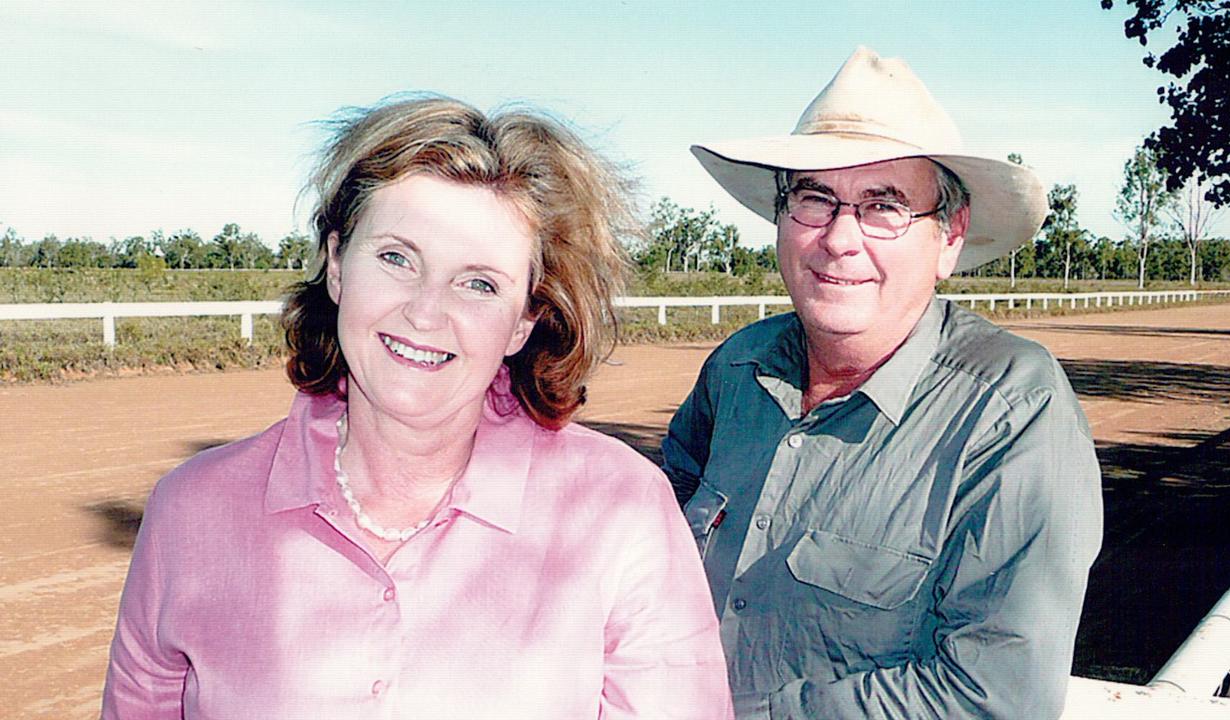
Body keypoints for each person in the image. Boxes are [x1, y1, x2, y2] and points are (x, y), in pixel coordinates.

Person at [103, 95, 731, 719]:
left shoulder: (623, 509)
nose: (425, 312)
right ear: (337, 265)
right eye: (397, 258)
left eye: (479, 282)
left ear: (524, 322)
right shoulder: (190, 510)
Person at [663, 47, 1103, 719]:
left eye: (884, 207)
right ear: (782, 219)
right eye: (815, 199)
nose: (840, 238)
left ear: (950, 237)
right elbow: (645, 562)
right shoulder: (736, 371)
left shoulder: (1010, 411)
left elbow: (993, 696)